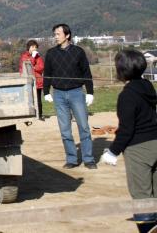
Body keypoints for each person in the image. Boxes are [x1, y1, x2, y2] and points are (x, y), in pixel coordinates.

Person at [100, 50, 157, 233]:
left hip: (139, 150)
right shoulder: (148, 86)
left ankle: (148, 228)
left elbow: (127, 129)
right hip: (155, 141)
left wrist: (113, 151)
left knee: (142, 197)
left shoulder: (127, 95)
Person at [43, 23, 97, 169]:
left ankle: (88, 159)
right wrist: (46, 91)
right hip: (59, 94)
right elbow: (47, 74)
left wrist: (90, 92)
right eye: (55, 34)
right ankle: (72, 159)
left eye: (58, 34)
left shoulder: (79, 52)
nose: (55, 37)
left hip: (76, 93)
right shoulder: (51, 53)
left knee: (84, 127)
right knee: (65, 130)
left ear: (67, 35)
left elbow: (86, 73)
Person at [19, 39, 45, 119]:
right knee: (30, 100)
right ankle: (31, 115)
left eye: (35, 47)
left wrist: (34, 67)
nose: (34, 49)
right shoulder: (24, 56)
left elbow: (41, 67)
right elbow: (27, 66)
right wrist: (33, 59)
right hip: (28, 82)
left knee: (38, 99)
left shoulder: (38, 57)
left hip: (38, 81)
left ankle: (40, 115)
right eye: (32, 47)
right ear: (29, 47)